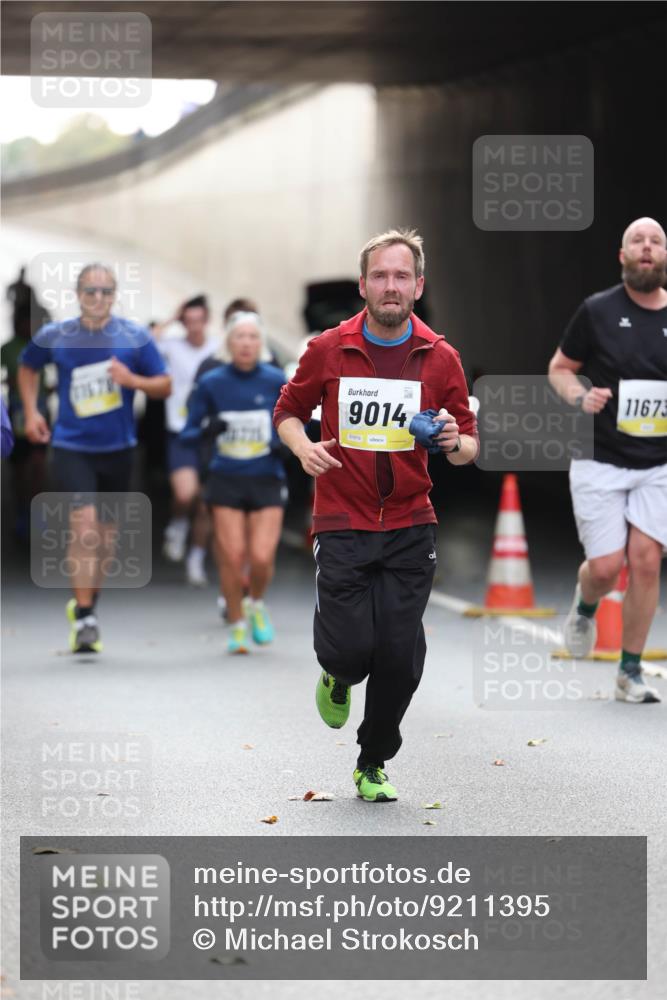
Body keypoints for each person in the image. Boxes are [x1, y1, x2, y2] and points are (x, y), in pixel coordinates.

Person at [274, 228, 478, 803]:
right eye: (381, 276)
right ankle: (336, 674)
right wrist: (303, 446)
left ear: (418, 285)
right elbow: (288, 410)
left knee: (401, 653)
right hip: (342, 517)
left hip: (412, 522)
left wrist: (449, 437)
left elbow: (469, 444)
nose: (391, 286)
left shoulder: (440, 357)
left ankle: (373, 760)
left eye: (402, 276)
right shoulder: (329, 348)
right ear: (364, 285)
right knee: (350, 650)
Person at [18, 263, 171, 653]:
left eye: (105, 292)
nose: (97, 298)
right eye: (90, 291)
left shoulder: (134, 337)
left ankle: (87, 604)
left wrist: (132, 381)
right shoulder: (58, 335)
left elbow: (164, 385)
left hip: (118, 450)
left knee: (106, 540)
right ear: (78, 294)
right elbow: (27, 365)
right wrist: (33, 411)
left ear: (114, 295)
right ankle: (85, 617)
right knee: (83, 528)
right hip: (72, 447)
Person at [548, 216, 667, 704]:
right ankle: (584, 607)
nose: (646, 247)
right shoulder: (597, 311)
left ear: (663, 256)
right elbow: (560, 370)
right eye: (636, 240)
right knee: (604, 567)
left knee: (645, 561)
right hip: (600, 456)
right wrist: (580, 398)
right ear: (622, 257)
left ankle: (630, 671)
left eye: (655, 241)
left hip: (658, 463)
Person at [181, 311, 287, 654]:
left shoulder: (275, 380)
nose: (246, 343)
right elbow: (188, 430)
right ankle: (237, 623)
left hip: (266, 477)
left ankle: (255, 601)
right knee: (232, 554)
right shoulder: (213, 382)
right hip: (225, 478)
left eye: (253, 337)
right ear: (229, 343)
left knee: (260, 556)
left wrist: (283, 443)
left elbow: (298, 419)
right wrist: (209, 429)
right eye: (239, 337)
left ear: (261, 344)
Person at [192, 297, 261, 619]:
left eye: (251, 331)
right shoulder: (210, 369)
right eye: (238, 330)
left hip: (259, 468)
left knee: (251, 539)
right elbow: (194, 418)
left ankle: (244, 589)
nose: (245, 339)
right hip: (219, 465)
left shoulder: (270, 370)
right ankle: (229, 590)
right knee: (228, 540)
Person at [156, 295, 215, 585]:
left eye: (198, 321)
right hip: (180, 431)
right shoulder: (172, 346)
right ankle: (178, 524)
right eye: (187, 321)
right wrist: (171, 317)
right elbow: (142, 343)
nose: (193, 327)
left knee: (205, 502)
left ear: (207, 320)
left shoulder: (219, 348)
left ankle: (196, 559)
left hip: (210, 433)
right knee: (184, 494)